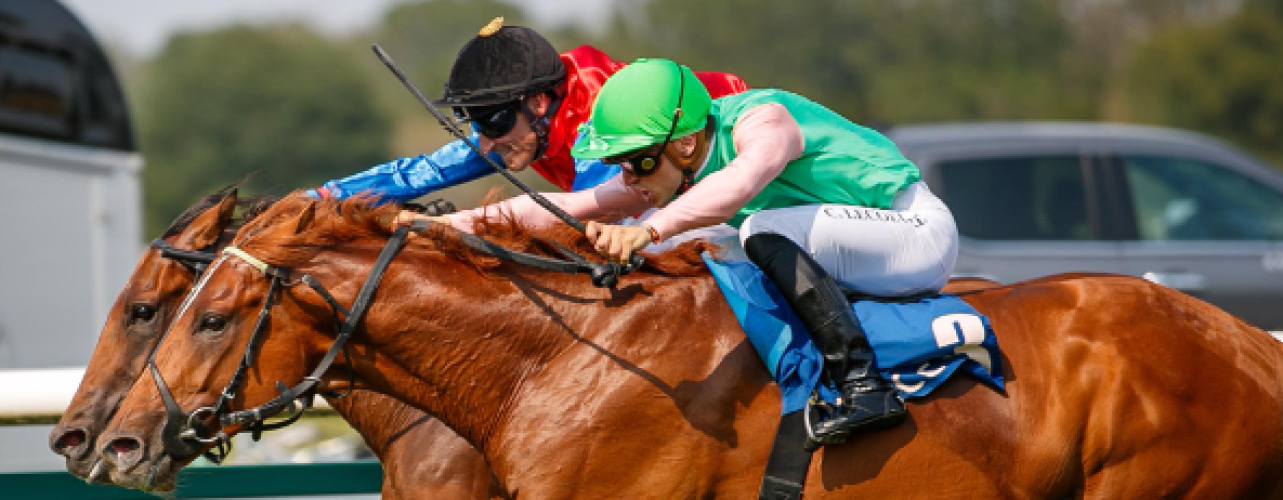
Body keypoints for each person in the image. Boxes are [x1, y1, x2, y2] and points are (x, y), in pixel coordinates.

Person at [403, 58, 959, 445]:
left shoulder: (763, 121)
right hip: (851, 243)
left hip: (914, 234)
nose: (628, 176)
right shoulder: (676, 161)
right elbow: (564, 205)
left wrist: (646, 228)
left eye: (637, 162)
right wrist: (436, 227)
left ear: (685, 143)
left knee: (751, 228)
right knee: (687, 244)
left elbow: (739, 187)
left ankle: (865, 388)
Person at [309, 19, 748, 201]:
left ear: (538, 101)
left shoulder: (596, 113)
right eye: (475, 123)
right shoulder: (520, 124)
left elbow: (591, 210)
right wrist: (318, 200)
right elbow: (423, 173)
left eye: (493, 121)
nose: (485, 141)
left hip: (747, 165)